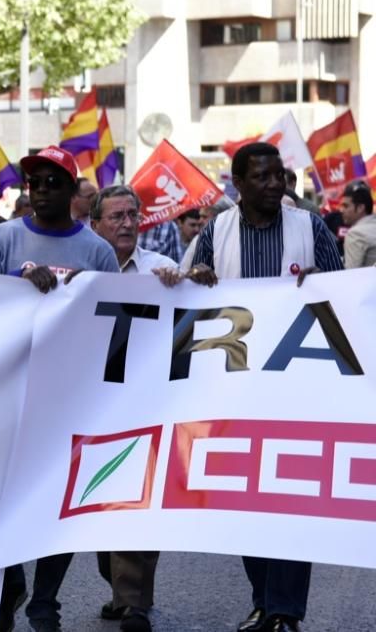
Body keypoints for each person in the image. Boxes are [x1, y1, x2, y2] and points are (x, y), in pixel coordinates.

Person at [188, 142, 342, 632]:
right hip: (235, 389)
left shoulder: (309, 225)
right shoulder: (217, 231)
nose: (276, 184)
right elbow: (186, 292)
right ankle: (263, 599)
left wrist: (324, 284)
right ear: (238, 184)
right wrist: (197, 278)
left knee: (292, 498)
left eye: (280, 175)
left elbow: (343, 294)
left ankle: (285, 611)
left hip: (298, 387)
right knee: (246, 500)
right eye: (264, 177)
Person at [0, 146, 116, 632]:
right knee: (0, 502)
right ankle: (11, 583)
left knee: (59, 502)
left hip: (68, 396)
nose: (43, 190)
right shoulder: (4, 238)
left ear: (73, 191)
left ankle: (45, 602)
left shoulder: (96, 250)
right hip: (8, 390)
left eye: (54, 183)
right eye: (36, 183)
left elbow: (117, 315)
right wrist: (16, 281)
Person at [88, 185, 184, 632]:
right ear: (94, 224)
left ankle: (133, 604)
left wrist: (187, 283)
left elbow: (192, 317)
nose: (127, 223)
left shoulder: (162, 268)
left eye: (132, 215)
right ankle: (122, 590)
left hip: (148, 400)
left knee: (141, 500)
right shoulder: (80, 267)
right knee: (99, 504)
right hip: (91, 402)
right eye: (116, 216)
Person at [340, 180, 376, 268]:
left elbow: (351, 274)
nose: (341, 210)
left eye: (346, 206)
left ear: (360, 208)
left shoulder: (355, 234)